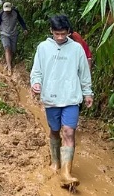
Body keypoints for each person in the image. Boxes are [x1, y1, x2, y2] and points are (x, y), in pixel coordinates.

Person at [30, 15, 93, 189]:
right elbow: (37, 71)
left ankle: (66, 172)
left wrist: (88, 93)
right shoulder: (43, 48)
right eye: (57, 34)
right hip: (51, 97)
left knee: (69, 132)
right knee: (55, 131)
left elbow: (84, 74)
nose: (59, 37)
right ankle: (56, 162)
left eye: (63, 34)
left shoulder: (77, 49)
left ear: (69, 32)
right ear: (51, 31)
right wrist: (36, 83)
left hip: (72, 97)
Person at [0, 2, 28, 76]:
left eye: (8, 10)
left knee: (13, 50)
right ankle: (9, 67)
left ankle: (9, 62)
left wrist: (25, 28)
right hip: (4, 34)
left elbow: (21, 20)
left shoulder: (15, 12)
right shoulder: (1, 14)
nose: (7, 12)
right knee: (7, 48)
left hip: (14, 34)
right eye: (6, 11)